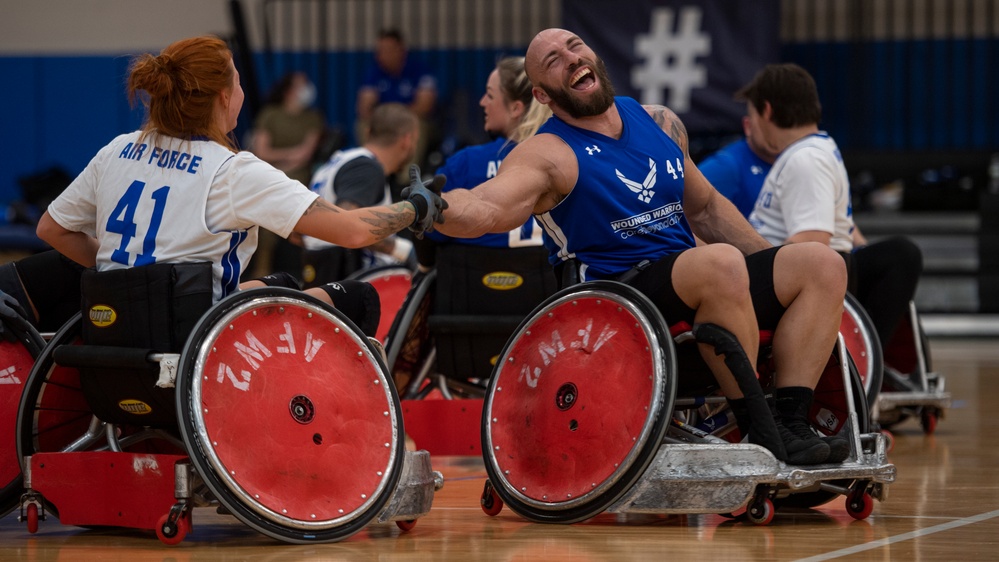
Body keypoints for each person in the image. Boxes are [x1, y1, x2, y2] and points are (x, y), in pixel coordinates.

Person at [426, 28, 850, 466]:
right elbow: (486, 205)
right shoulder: (546, 153)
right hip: (617, 298)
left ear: (593, 55)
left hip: (690, 276)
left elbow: (705, 208)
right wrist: (434, 207)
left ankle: (792, 419)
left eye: (574, 47)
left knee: (821, 264)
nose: (570, 58)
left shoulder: (652, 120)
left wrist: (770, 266)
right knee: (720, 264)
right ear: (543, 94)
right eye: (553, 60)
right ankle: (760, 428)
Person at [34, 36, 446, 339]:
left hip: (115, 327)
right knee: (359, 297)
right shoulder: (233, 171)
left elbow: (51, 229)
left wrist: (125, 281)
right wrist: (414, 208)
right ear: (223, 96)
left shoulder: (118, 149)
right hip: (194, 339)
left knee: (281, 281)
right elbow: (354, 231)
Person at [739, 63, 922, 346]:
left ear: (767, 111)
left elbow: (813, 243)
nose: (751, 129)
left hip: (798, 287)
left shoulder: (806, 159)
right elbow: (846, 232)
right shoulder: (819, 149)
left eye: (752, 115)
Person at [416, 56, 552, 268]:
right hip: (547, 294)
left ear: (516, 108)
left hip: (471, 294)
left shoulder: (465, 163)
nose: (482, 102)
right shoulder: (561, 161)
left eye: (489, 95)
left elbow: (428, 234)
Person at [301, 102, 421, 286]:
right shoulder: (367, 168)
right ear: (407, 140)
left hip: (321, 270)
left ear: (368, 132)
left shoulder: (335, 162)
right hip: (345, 278)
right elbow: (344, 224)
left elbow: (297, 231)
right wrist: (401, 249)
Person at [248, 71, 327, 280]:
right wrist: (288, 157)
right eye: (301, 85)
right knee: (264, 213)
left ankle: (307, 272)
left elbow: (305, 155)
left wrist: (280, 162)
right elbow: (262, 152)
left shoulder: (313, 118)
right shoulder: (270, 114)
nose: (306, 89)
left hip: (298, 176)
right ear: (288, 90)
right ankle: (261, 271)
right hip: (269, 172)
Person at [355, 28, 438, 186]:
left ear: (401, 50)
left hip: (408, 120)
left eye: (388, 50)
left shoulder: (419, 70)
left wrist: (394, 115)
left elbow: (424, 106)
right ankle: (375, 175)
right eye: (380, 51)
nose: (383, 55)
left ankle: (404, 183)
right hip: (384, 121)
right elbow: (364, 109)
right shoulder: (373, 73)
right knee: (364, 125)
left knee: (415, 126)